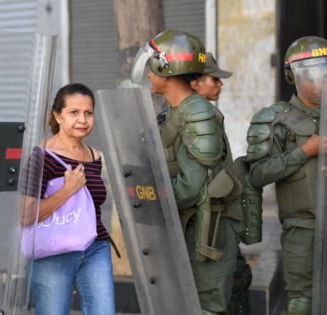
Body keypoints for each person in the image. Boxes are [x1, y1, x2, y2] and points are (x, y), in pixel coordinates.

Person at [131, 29, 243, 314]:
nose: (147, 74)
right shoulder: (174, 112)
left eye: (152, 67)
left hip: (207, 232)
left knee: (206, 308)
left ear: (165, 68)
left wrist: (153, 199)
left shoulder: (196, 113)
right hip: (188, 227)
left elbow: (192, 185)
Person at [245, 36, 327, 314]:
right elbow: (256, 174)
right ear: (293, 76)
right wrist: (304, 151)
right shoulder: (276, 119)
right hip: (302, 228)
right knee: (302, 302)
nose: (322, 80)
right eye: (313, 73)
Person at [24, 83, 115, 315]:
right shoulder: (41, 156)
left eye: (88, 112)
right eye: (73, 112)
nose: (82, 120)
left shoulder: (94, 156)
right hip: (54, 250)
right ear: (58, 116)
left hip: (95, 247)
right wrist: (67, 190)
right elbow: (24, 215)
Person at [191, 53, 252, 315]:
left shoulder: (210, 115)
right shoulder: (192, 120)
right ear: (195, 83)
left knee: (238, 277)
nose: (220, 84)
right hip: (206, 226)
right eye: (214, 79)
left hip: (222, 222)